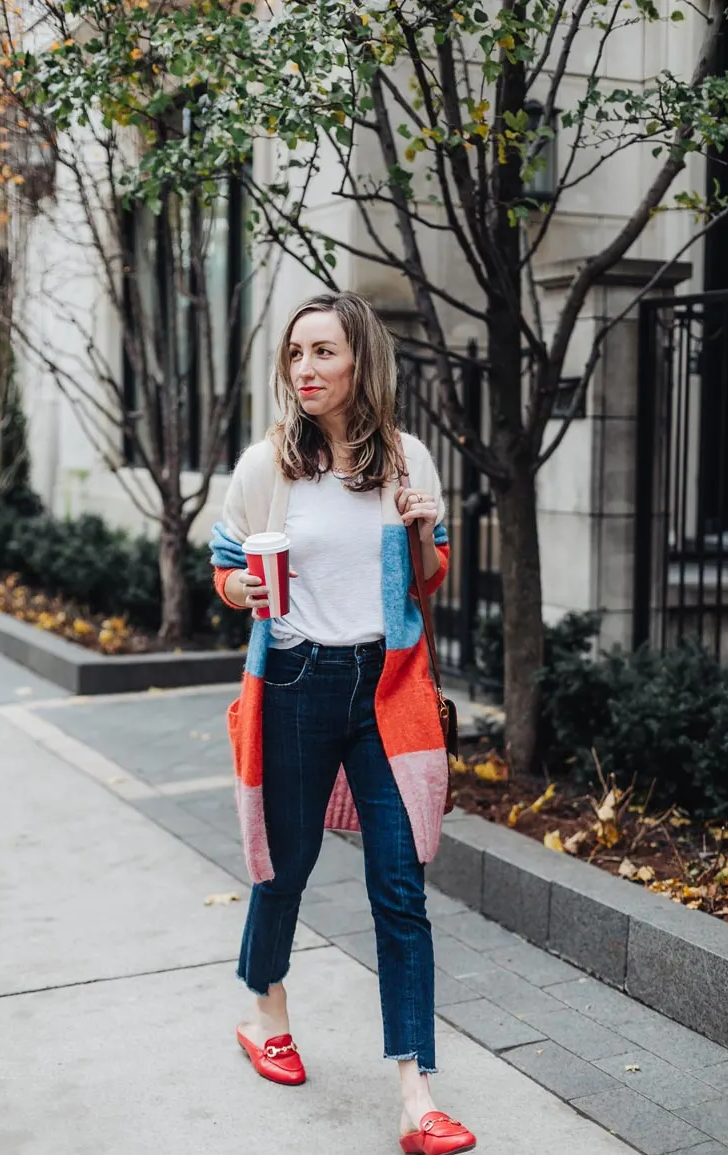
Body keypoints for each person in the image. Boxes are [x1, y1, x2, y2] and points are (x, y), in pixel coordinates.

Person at [210, 291, 476, 1155]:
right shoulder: (268, 466)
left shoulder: (409, 460)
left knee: (400, 885)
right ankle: (265, 1009)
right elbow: (226, 561)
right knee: (284, 865)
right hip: (292, 677)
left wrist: (426, 532)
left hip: (385, 689)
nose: (307, 370)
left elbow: (425, 580)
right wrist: (238, 589)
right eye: (295, 355)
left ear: (361, 359)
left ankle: (416, 1093)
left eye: (323, 352)